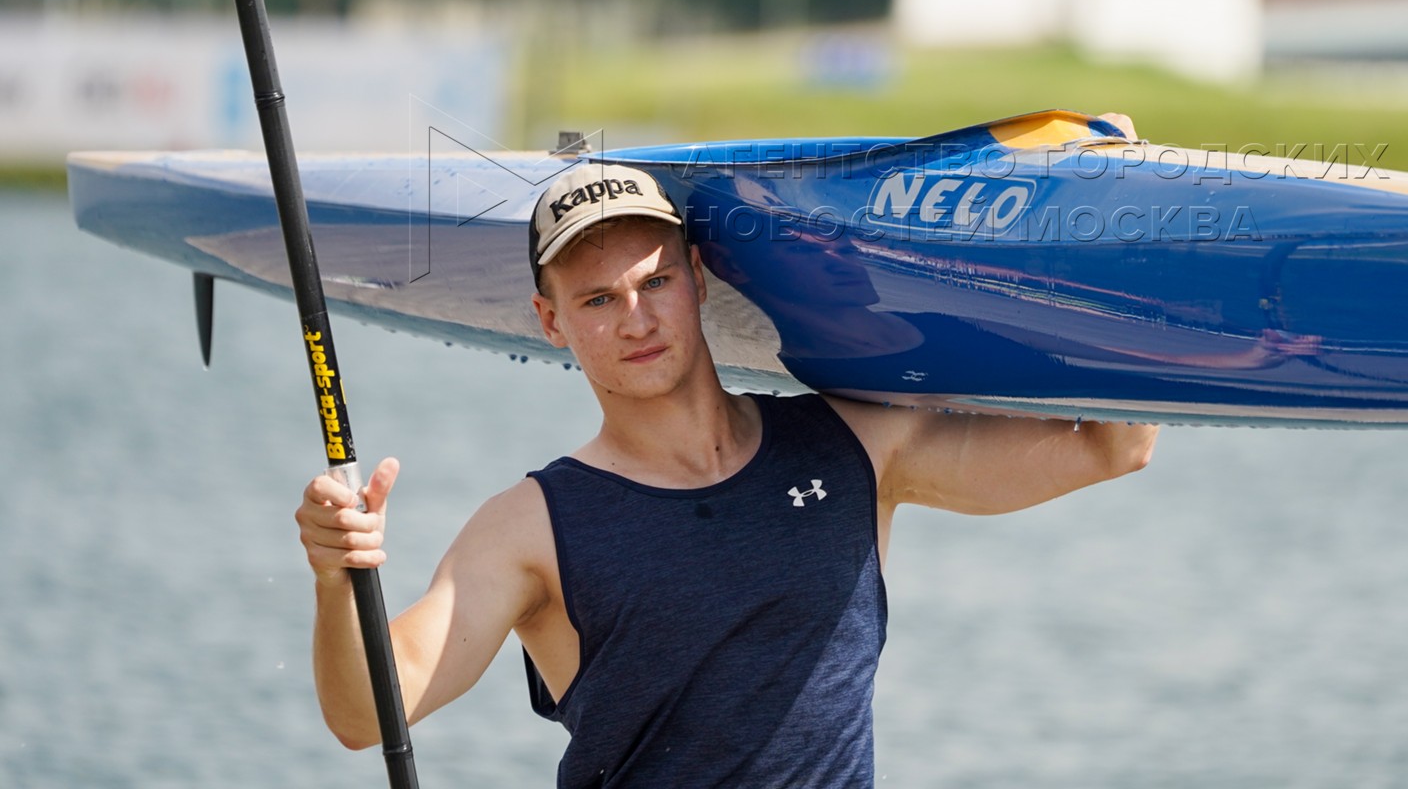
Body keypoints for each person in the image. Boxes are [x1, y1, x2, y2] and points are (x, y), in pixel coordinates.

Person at [295, 115, 1158, 787]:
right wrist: (340, 582)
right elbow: (368, 712)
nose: (636, 319)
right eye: (596, 300)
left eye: (655, 282)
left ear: (697, 279)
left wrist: (1113, 207)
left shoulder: (853, 443)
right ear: (551, 321)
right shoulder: (531, 530)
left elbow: (1114, 444)